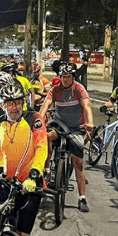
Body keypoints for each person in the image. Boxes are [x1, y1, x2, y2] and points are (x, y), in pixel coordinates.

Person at [0, 82, 47, 236]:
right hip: (9, 183)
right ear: (2, 105)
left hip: (30, 185)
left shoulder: (34, 118)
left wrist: (35, 173)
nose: (14, 107)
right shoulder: (0, 123)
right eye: (10, 103)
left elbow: (42, 146)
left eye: (17, 102)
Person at [39, 62, 94, 213]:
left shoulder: (78, 88)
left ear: (73, 77)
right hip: (59, 125)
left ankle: (82, 197)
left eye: (68, 77)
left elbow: (87, 106)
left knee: (78, 162)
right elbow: (45, 105)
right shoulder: (55, 90)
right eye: (63, 77)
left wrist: (90, 122)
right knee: (46, 137)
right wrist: (39, 120)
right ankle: (47, 168)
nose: (66, 80)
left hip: (76, 128)